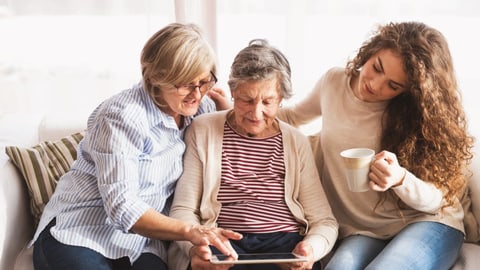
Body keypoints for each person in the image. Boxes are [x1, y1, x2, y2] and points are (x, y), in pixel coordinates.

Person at [31, 22, 242, 270]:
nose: (196, 93)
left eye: (204, 80)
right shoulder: (121, 115)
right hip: (80, 231)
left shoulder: (201, 108)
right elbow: (122, 206)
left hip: (140, 243)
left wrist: (227, 113)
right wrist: (190, 231)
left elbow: (234, 158)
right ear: (155, 77)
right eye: (185, 84)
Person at [277, 21, 475, 270]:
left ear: (409, 91)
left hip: (427, 222)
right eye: (376, 68)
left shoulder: (415, 115)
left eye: (393, 85)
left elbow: (437, 201)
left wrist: (400, 179)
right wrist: (233, 112)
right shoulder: (334, 82)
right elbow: (292, 117)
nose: (375, 84)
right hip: (363, 230)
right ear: (370, 52)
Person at [167, 39, 338, 270]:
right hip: (223, 241)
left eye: (267, 101)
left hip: (284, 244)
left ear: (281, 99)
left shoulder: (296, 141)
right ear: (233, 92)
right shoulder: (203, 129)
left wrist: (311, 249)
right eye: (247, 100)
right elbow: (183, 210)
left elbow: (324, 222)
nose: (256, 114)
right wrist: (196, 248)